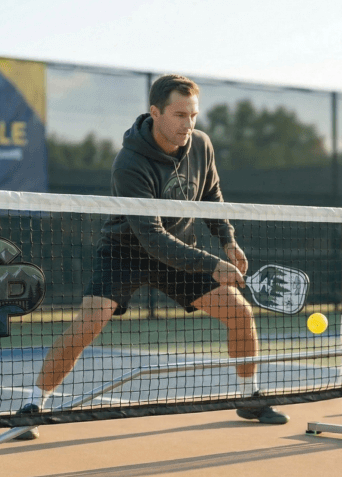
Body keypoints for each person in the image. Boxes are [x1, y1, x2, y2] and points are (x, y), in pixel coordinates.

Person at [15, 74, 288, 440]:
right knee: (89, 324)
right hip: (125, 253)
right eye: (179, 115)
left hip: (180, 252)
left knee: (239, 313)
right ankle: (33, 405)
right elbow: (152, 237)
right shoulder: (129, 163)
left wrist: (227, 241)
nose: (188, 124)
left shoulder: (201, 145)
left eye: (193, 115)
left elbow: (211, 194)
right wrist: (212, 264)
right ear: (155, 112)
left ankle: (248, 397)